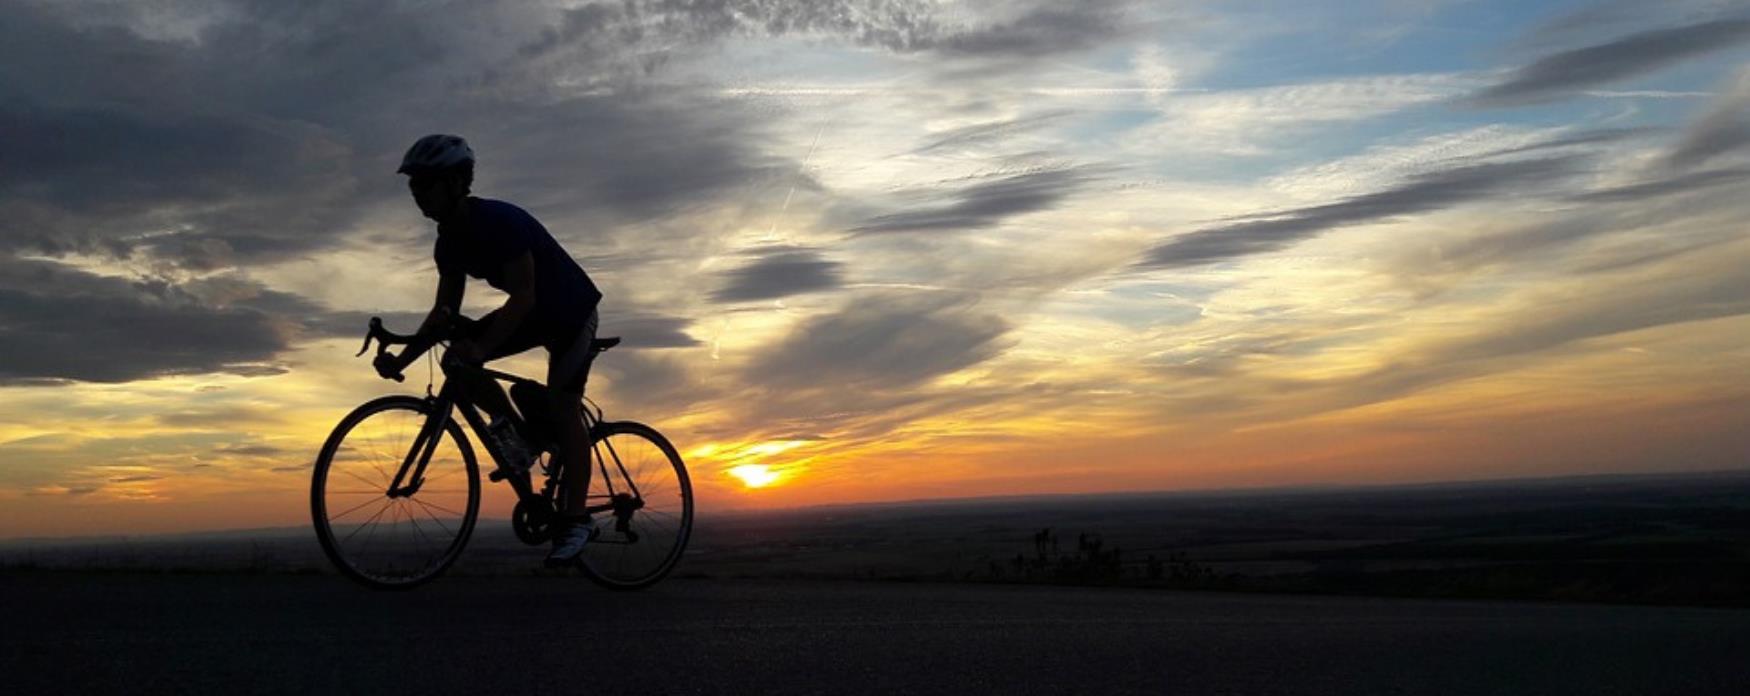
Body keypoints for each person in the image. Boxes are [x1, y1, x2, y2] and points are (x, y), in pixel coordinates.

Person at [383, 134, 603, 567]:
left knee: (563, 405)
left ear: (456, 182)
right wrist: (402, 360)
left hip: (570, 312)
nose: (417, 195)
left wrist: (482, 347)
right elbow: (444, 313)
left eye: (424, 184)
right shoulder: (448, 243)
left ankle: (577, 520)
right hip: (533, 313)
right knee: (456, 358)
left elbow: (523, 296)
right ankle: (517, 438)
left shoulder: (499, 222)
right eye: (413, 187)